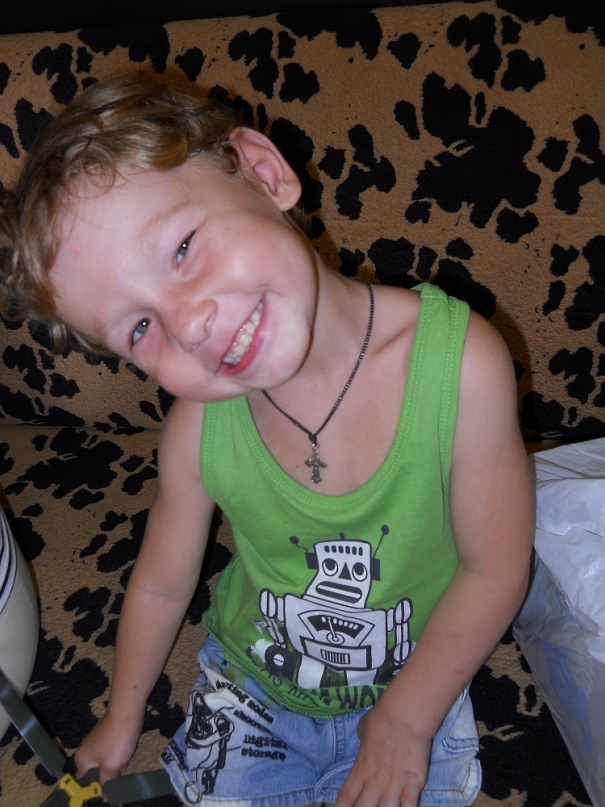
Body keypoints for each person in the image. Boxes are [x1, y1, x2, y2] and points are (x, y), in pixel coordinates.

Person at [0, 74, 534, 807]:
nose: (189, 324)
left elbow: (493, 569)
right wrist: (121, 719)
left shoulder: (463, 365)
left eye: (182, 249)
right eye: (140, 327)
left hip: (418, 680)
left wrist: (405, 722)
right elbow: (160, 582)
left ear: (263, 172)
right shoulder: (195, 432)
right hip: (254, 683)